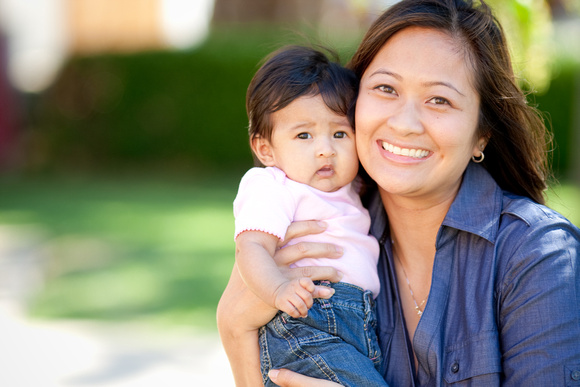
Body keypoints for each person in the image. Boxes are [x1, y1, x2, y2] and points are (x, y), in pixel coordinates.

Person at [217, 0, 580, 385]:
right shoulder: (321, 232)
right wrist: (234, 329)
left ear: (481, 134)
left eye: (439, 100)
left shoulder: (538, 255)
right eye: (385, 88)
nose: (405, 124)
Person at [233, 45, 387, 386]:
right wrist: (277, 290)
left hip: (357, 324)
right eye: (304, 135)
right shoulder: (273, 184)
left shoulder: (352, 187)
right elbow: (251, 247)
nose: (325, 148)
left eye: (340, 133)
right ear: (265, 149)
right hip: (304, 321)